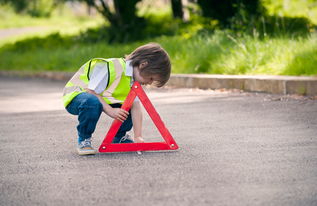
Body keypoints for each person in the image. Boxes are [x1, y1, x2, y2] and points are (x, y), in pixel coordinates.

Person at [62, 43, 171, 155]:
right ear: (143, 64)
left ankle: (119, 137)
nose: (149, 83)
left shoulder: (133, 80)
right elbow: (91, 92)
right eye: (151, 78)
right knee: (92, 102)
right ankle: (84, 139)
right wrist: (110, 110)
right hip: (78, 97)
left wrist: (138, 136)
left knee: (127, 106)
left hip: (101, 98)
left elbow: (136, 107)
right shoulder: (111, 67)